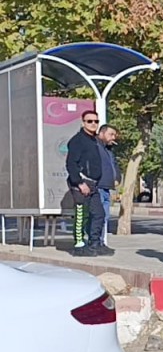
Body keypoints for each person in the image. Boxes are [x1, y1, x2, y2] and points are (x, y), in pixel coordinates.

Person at [65, 110, 110, 257]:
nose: (93, 124)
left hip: (94, 184)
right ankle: (79, 245)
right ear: (83, 122)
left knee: (99, 214)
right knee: (81, 215)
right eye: (89, 121)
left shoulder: (95, 141)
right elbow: (71, 164)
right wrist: (79, 183)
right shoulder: (77, 140)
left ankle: (94, 244)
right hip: (81, 183)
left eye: (96, 121)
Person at [96, 124, 121, 248]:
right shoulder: (95, 147)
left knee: (105, 216)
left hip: (106, 187)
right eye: (111, 134)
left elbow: (114, 164)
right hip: (98, 186)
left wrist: (117, 178)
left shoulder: (108, 150)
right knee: (98, 216)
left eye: (114, 135)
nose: (113, 138)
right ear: (101, 133)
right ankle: (95, 242)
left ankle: (100, 242)